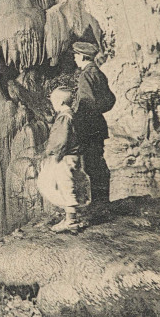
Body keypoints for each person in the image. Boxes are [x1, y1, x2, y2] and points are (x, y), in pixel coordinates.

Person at [36, 87, 90, 233]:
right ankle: (72, 217)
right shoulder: (72, 115)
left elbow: (61, 139)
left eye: (53, 100)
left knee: (65, 186)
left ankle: (71, 221)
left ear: (59, 101)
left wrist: (52, 154)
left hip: (65, 157)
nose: (52, 104)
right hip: (73, 156)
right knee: (68, 184)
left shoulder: (64, 117)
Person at [72, 41, 116, 207]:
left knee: (92, 167)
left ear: (83, 56)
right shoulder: (98, 73)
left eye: (76, 55)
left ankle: (99, 204)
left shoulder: (86, 75)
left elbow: (86, 102)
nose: (75, 58)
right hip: (98, 125)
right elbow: (110, 100)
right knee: (97, 163)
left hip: (88, 126)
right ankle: (102, 201)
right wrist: (99, 110)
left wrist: (78, 122)